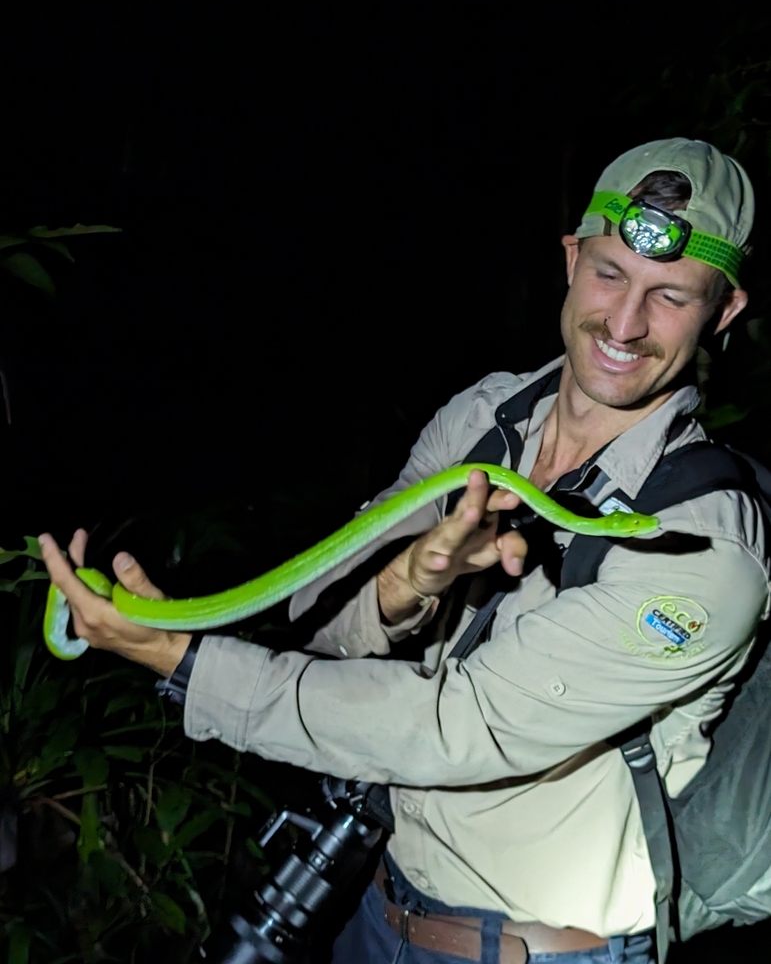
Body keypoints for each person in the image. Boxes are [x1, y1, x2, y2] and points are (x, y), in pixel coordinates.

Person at [40, 138, 769, 964]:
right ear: (571, 260)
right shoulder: (483, 419)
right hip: (376, 907)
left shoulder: (705, 552)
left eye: (669, 296)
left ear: (723, 313)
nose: (626, 324)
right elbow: (318, 631)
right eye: (609, 274)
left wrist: (179, 659)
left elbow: (457, 728)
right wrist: (402, 582)